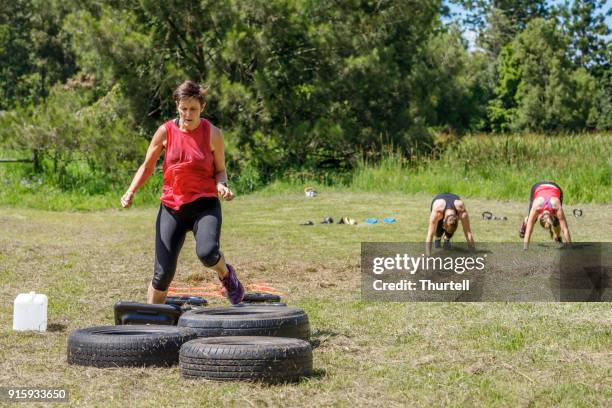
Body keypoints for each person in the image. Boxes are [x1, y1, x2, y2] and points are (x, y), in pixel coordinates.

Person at [120, 80, 244, 304]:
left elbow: (220, 170)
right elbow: (147, 167)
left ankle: (226, 275)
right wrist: (131, 191)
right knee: (162, 275)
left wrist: (222, 185)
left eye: (193, 109)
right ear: (177, 105)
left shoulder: (212, 133)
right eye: (183, 108)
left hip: (204, 205)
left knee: (207, 253)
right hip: (172, 208)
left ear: (202, 107)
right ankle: (153, 323)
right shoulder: (164, 132)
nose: (188, 114)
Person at [520, 181, 571, 250]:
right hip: (537, 188)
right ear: (539, 216)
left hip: (555, 188)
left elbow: (565, 230)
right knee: (531, 220)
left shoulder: (556, 206)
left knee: (557, 220)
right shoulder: (537, 206)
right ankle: (525, 222)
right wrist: (525, 248)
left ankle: (557, 237)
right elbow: (529, 230)